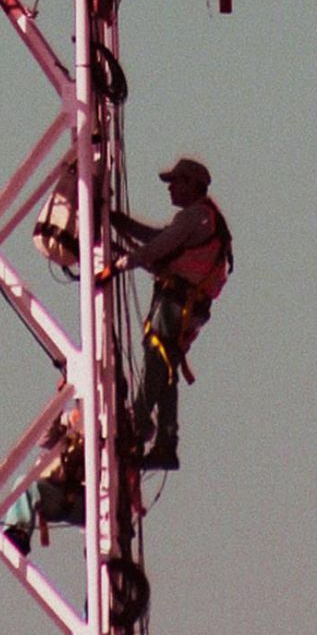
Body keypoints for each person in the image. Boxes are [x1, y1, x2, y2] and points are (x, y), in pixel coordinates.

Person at [109, 156, 233, 471]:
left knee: (156, 361)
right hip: (187, 306)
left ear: (192, 184)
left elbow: (156, 248)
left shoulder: (196, 217)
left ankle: (136, 425)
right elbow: (158, 239)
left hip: (178, 304)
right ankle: (165, 444)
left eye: (175, 182)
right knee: (165, 370)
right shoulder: (203, 219)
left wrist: (118, 265)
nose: (170, 189)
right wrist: (119, 223)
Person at [4, 384, 84, 558]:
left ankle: (18, 534)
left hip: (89, 501)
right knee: (24, 484)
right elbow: (44, 439)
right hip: (58, 495)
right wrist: (61, 400)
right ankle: (17, 534)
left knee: (26, 485)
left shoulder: (114, 426)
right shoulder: (70, 424)